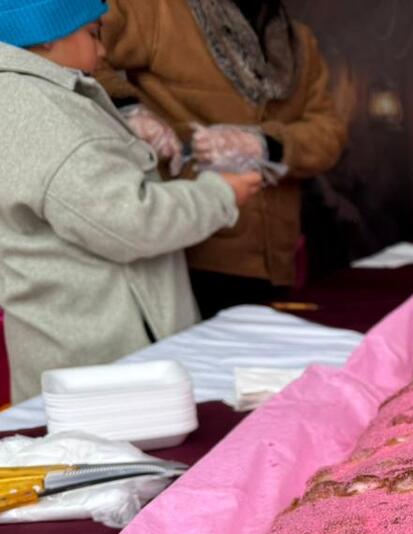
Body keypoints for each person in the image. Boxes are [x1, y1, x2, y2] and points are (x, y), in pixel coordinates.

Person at [0, 0, 262, 404]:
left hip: (78, 360)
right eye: (94, 33)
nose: (104, 51)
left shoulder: (28, 98)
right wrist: (221, 193)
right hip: (104, 376)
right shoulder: (46, 116)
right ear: (48, 36)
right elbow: (133, 223)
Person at [95, 0, 348, 318]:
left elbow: (329, 132)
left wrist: (265, 145)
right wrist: (129, 111)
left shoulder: (298, 39)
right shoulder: (158, 10)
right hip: (189, 251)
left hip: (275, 256)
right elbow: (72, 52)